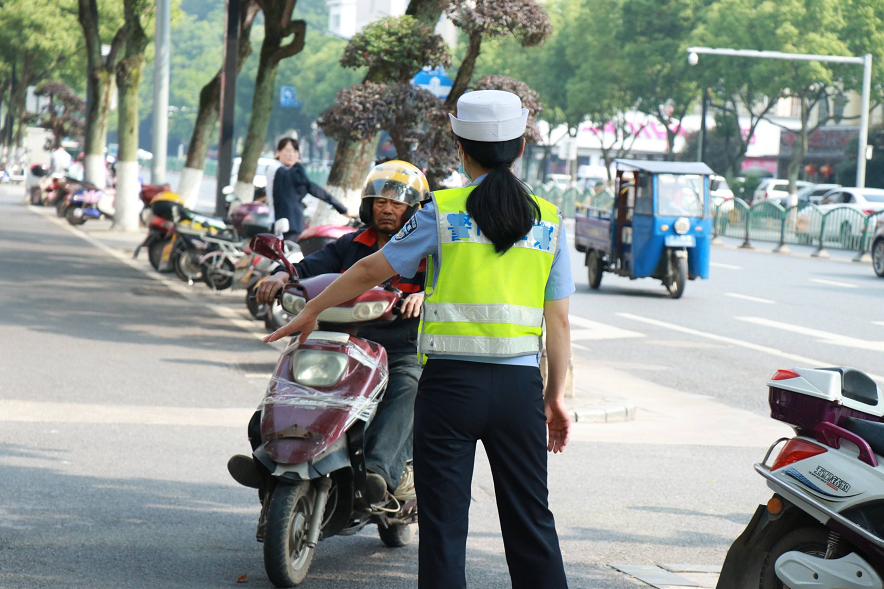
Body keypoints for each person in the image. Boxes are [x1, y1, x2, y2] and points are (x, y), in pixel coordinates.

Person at [265, 90, 572, 589]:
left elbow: (369, 268)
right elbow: (557, 323)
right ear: (519, 148)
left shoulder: (442, 212)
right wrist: (554, 397)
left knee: (445, 527)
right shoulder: (550, 219)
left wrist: (314, 309)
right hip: (519, 392)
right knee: (531, 520)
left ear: (460, 148)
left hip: (449, 388)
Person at [228, 160, 429, 505]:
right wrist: (279, 276)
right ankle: (267, 458)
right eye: (380, 202)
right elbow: (307, 267)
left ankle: (376, 473)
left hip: (399, 349)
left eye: (396, 203)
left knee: (408, 386)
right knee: (287, 379)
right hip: (342, 344)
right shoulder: (350, 245)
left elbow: (449, 285)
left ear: (412, 210)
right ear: (369, 205)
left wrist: (426, 295)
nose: (387, 209)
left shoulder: (426, 251)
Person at [271, 137, 356, 240]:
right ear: (278, 152)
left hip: (287, 224)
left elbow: (311, 188)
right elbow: (309, 185)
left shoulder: (286, 174)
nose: (291, 154)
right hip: (289, 226)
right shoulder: (282, 171)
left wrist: (341, 208)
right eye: (288, 150)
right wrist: (298, 165)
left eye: (295, 151)